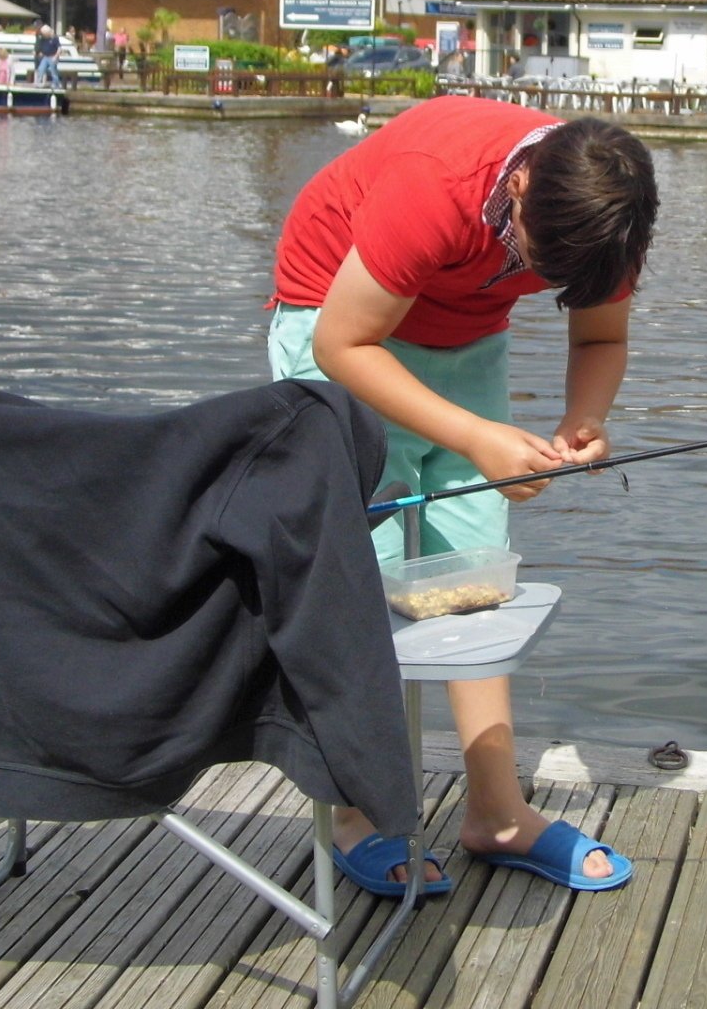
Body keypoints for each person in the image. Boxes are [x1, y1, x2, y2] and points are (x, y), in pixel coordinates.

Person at [267, 96, 657, 897]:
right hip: (335, 320)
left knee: (475, 575)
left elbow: (600, 337)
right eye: (535, 261)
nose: (540, 281)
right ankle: (358, 810)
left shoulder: (603, 215)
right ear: (516, 186)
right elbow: (344, 342)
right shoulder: (434, 185)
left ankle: (497, 812)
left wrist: (585, 418)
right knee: (362, 574)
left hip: (464, 336)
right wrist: (478, 438)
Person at [33, 22, 63, 89]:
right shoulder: (43, 38)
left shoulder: (54, 38)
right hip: (45, 56)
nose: (44, 35)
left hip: (52, 56)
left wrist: (56, 56)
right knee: (41, 69)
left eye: (45, 34)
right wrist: (39, 51)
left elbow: (59, 48)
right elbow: (39, 44)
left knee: (53, 71)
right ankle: (38, 83)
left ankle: (56, 84)